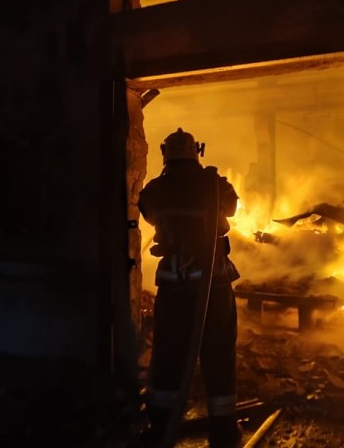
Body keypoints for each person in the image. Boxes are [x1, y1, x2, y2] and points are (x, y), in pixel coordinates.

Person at [138, 128, 243, 448]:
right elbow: (232, 208)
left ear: (165, 153)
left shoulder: (155, 190)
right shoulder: (214, 183)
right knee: (219, 354)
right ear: (197, 151)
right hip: (214, 286)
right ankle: (223, 431)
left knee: (169, 354)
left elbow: (148, 213)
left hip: (174, 286)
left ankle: (161, 426)